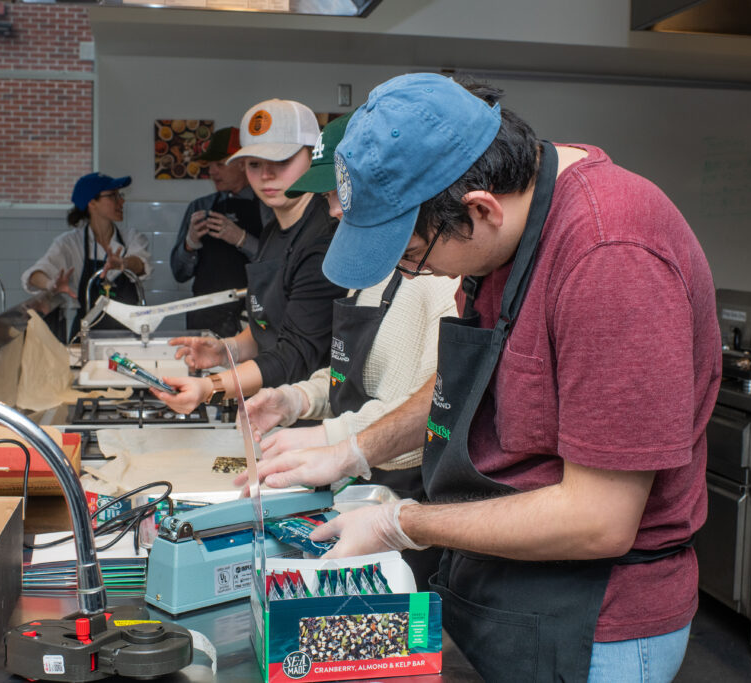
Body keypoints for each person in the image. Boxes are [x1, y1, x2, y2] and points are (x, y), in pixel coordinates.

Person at [240, 73, 722, 682]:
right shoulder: (506, 231)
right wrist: (351, 452)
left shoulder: (611, 258)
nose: (411, 275)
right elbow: (469, 381)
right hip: (500, 585)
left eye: (412, 257)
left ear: (480, 209)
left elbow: (598, 519)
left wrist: (402, 523)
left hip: (590, 622)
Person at [242, 111, 458, 589]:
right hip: (359, 489)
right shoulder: (367, 268)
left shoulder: (440, 278)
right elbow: (352, 373)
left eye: (339, 193)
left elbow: (426, 408)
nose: (334, 211)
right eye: (326, 197)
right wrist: (296, 400)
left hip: (408, 502)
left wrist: (332, 440)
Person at [154, 99, 347, 413]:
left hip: (314, 413)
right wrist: (225, 350)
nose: (266, 175)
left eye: (281, 160)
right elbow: (268, 327)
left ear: (313, 156)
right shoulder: (274, 231)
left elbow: (295, 353)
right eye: (254, 164)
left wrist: (210, 389)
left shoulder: (325, 238)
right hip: (274, 406)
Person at [23, 172, 151, 341]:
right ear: (92, 202)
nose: (121, 201)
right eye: (113, 196)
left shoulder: (132, 237)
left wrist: (124, 263)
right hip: (85, 337)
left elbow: (140, 264)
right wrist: (50, 284)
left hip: (129, 336)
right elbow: (34, 275)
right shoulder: (69, 243)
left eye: (120, 195)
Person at [169, 127, 265, 337]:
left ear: (243, 164)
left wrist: (242, 239)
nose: (211, 172)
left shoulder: (268, 208)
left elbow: (279, 267)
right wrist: (190, 245)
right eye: (209, 165)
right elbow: (179, 273)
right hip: (204, 319)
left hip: (254, 318)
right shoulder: (199, 207)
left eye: (219, 164)